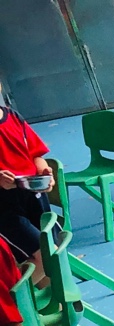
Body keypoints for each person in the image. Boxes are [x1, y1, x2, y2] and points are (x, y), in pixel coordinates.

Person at [0, 85, 55, 288]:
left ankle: (51, 301)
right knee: (45, 256)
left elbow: (35, 154)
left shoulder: (14, 117)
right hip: (5, 209)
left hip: (34, 198)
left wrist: (44, 171)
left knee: (50, 252)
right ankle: (11, 303)